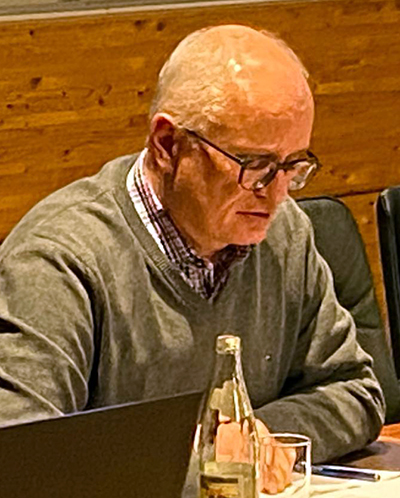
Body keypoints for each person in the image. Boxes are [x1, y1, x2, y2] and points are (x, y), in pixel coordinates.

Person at [0, 24, 384, 492]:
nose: (277, 194)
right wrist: (206, 453)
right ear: (167, 145)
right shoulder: (58, 260)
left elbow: (354, 390)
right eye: (255, 166)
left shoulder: (284, 234)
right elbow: (20, 462)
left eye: (292, 166)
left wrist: (259, 437)